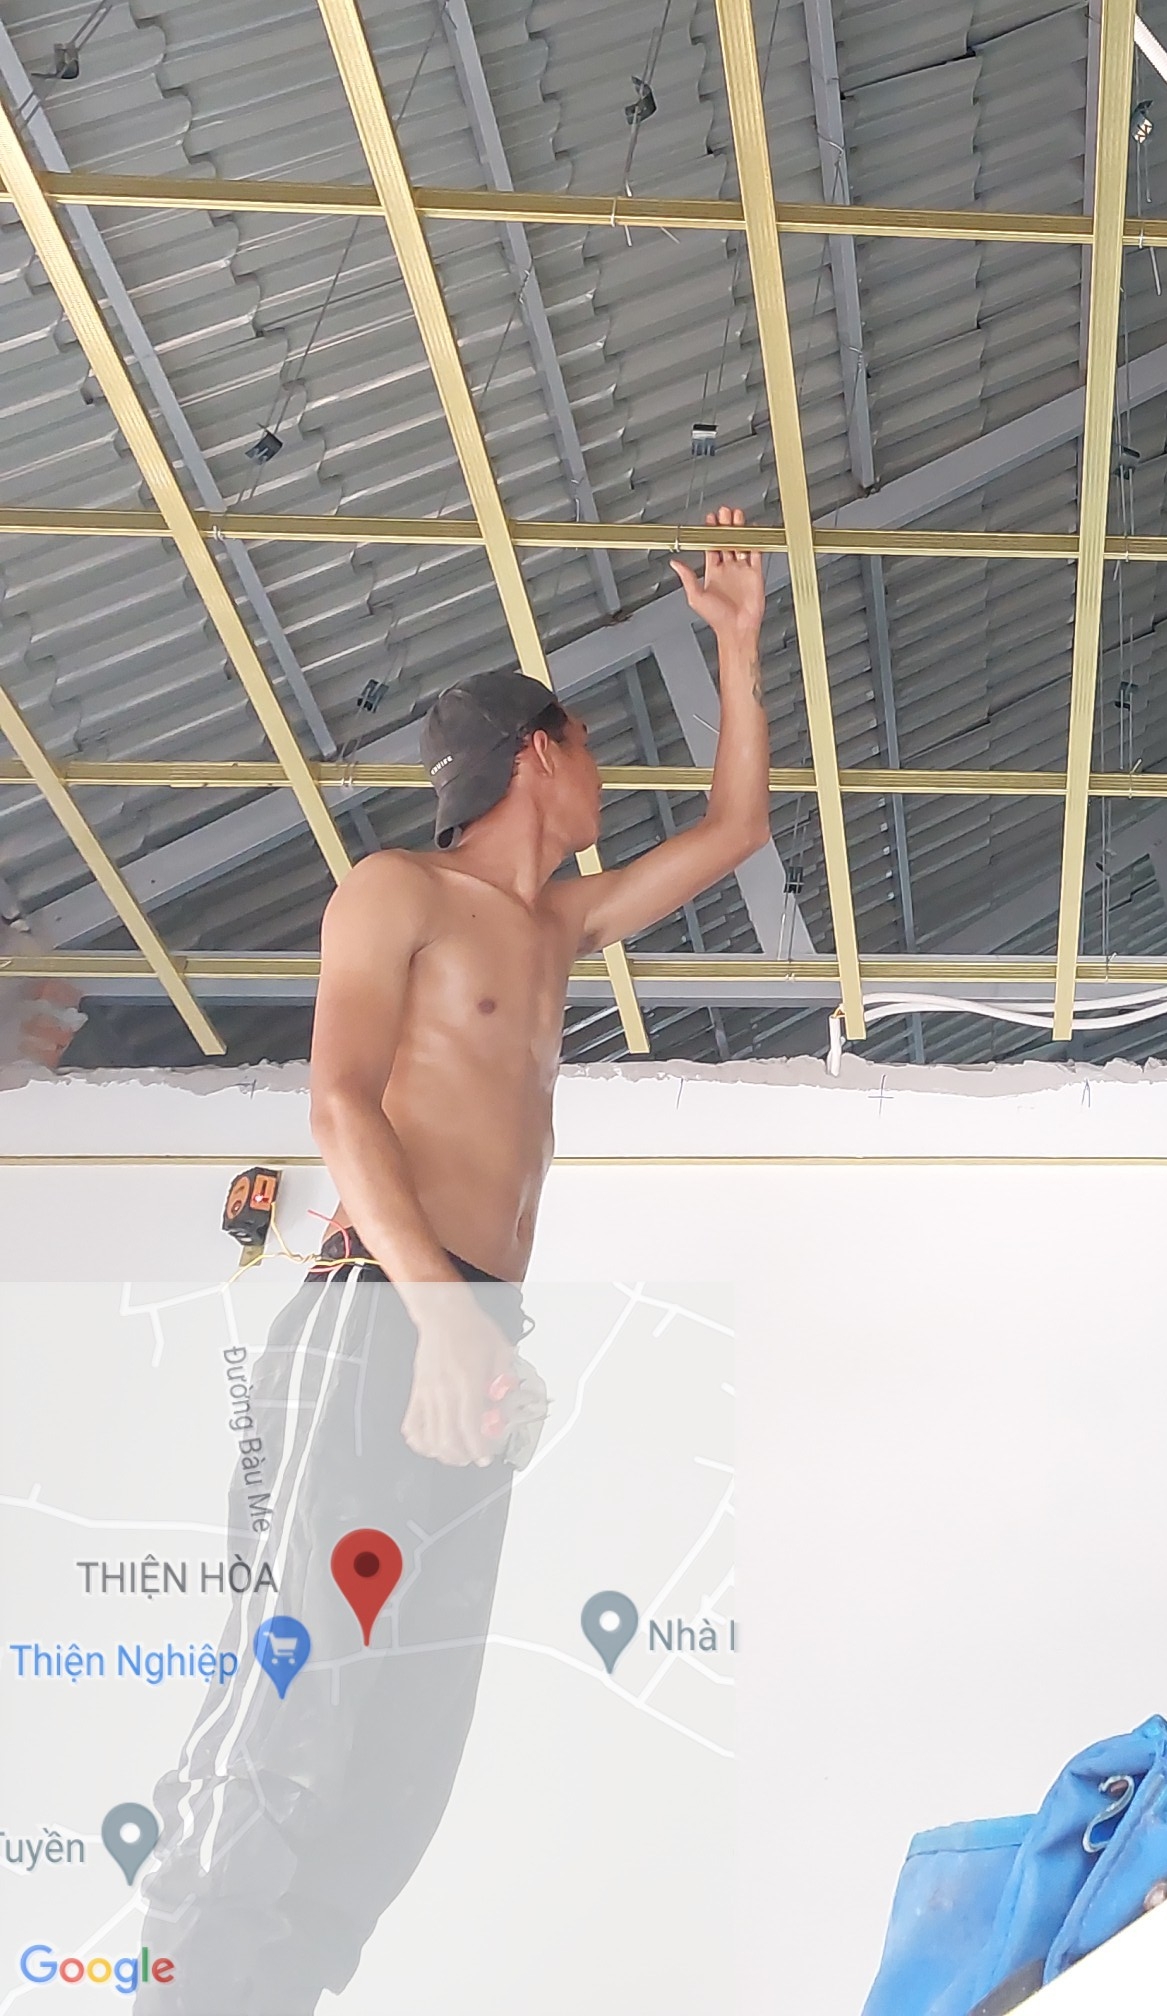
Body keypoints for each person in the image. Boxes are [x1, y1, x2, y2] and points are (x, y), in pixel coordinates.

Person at [140, 512, 773, 2013]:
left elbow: (735, 830)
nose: (606, 775)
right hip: (379, 1315)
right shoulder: (395, 890)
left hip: (475, 1343)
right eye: (593, 747)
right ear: (539, 753)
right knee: (294, 1683)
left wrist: (741, 650)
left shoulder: (553, 926)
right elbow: (338, 1107)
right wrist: (443, 1326)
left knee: (407, 1745)